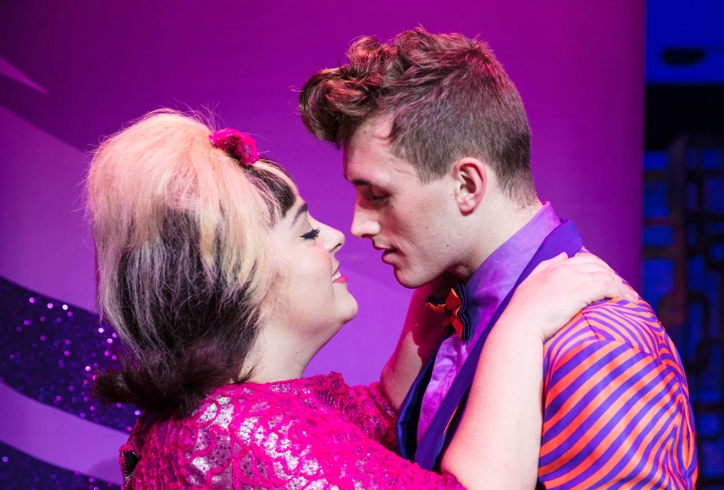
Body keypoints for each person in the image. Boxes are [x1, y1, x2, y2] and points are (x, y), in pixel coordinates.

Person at [87, 110, 632, 489]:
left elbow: (377, 420)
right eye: (304, 233)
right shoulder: (237, 436)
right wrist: (520, 329)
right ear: (239, 282)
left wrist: (437, 273)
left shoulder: (230, 414)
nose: (338, 234)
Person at [299, 28, 698, 489]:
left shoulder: (595, 343)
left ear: (467, 185)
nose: (358, 225)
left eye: (379, 194)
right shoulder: (450, 301)